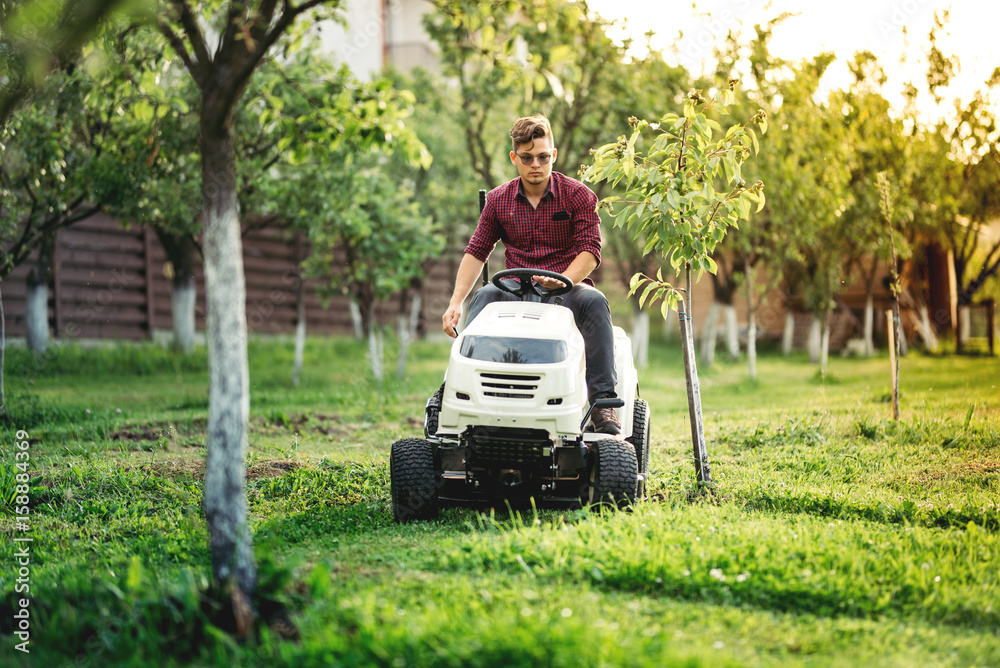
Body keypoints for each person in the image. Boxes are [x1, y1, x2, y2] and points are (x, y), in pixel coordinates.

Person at [441, 114, 621, 434]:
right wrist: (456, 301)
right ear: (515, 158)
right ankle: (462, 391)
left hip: (568, 288)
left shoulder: (579, 196)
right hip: (515, 287)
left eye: (542, 157)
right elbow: (476, 251)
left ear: (553, 155)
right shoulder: (498, 200)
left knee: (595, 300)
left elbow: (591, 251)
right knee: (484, 296)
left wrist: (564, 278)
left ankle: (603, 404)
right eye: (527, 158)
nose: (535, 164)